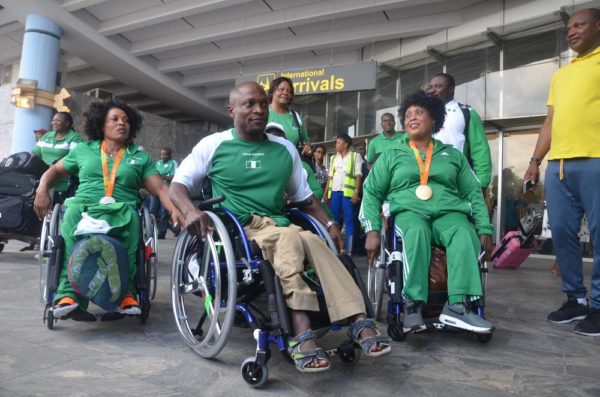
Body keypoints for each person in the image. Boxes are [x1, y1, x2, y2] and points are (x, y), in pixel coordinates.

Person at [170, 82, 390, 373]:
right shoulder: (214, 145)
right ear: (232, 110)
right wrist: (190, 211)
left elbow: (305, 198)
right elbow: (178, 186)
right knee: (289, 239)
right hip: (240, 228)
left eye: (262, 103)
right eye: (249, 104)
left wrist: (329, 222)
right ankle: (300, 329)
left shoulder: (284, 148)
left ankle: (357, 318)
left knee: (314, 242)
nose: (259, 109)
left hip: (280, 223)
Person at [360, 90, 494, 334]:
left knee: (464, 232)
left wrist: (484, 227)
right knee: (416, 231)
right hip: (410, 211)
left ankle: (457, 306)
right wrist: (372, 230)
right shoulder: (392, 154)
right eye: (408, 114)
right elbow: (371, 192)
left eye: (419, 113)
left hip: (448, 212)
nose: (412, 118)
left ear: (434, 120)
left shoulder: (452, 155)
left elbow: (474, 193)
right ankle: (412, 305)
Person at [34, 100, 183, 319]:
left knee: (133, 218)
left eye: (125, 120)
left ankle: (126, 295)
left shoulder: (139, 157)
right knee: (71, 212)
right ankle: (68, 295)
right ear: (101, 124)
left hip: (122, 209)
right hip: (84, 206)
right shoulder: (84, 150)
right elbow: (54, 171)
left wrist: (174, 210)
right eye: (114, 119)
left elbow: (160, 187)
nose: (122, 123)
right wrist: (42, 189)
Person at [523, 8, 600, 336]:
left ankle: (598, 305)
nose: (571, 32)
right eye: (568, 28)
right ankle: (575, 299)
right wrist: (536, 160)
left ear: (598, 26)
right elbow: (550, 121)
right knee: (563, 237)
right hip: (560, 167)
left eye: (579, 25)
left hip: (596, 159)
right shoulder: (561, 75)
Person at [427, 73, 492, 190]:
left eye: (438, 86)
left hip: (456, 182)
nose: (433, 90)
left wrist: (482, 182)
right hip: (426, 180)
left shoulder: (467, 113)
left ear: (451, 90)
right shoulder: (423, 114)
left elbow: (480, 148)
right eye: (431, 87)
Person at [324, 133, 363, 254]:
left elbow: (358, 176)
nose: (336, 145)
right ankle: (334, 248)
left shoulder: (355, 156)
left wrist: (356, 191)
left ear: (345, 145)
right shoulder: (333, 158)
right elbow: (330, 177)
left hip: (348, 194)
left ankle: (348, 249)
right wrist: (325, 194)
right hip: (335, 193)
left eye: (338, 142)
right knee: (333, 221)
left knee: (350, 221)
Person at [32, 112, 82, 197]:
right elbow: (34, 154)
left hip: (62, 184)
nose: (53, 123)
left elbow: (72, 159)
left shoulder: (75, 137)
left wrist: (54, 167)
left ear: (67, 123)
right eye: (53, 120)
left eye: (57, 120)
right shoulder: (47, 136)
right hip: (41, 179)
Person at [267, 76, 312, 156]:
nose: (285, 93)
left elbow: (306, 141)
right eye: (282, 89)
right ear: (273, 91)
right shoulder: (263, 112)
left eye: (289, 91)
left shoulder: (295, 117)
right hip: (265, 162)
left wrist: (307, 146)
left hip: (290, 164)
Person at [152, 147, 179, 239]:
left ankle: (161, 233)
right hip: (156, 190)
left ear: (170, 155)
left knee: (164, 212)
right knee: (152, 211)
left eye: (165, 154)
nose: (163, 156)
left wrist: (162, 176)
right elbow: (153, 175)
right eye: (162, 154)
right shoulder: (157, 163)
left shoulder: (173, 163)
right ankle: (152, 232)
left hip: (166, 190)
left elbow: (174, 176)